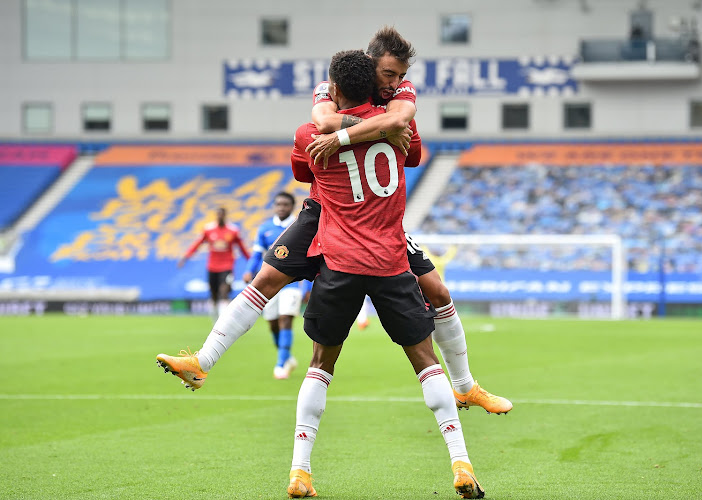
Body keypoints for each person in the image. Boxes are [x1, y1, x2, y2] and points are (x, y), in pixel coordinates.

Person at [157, 27, 511, 419]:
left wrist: (347, 136)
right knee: (265, 280)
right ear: (370, 63)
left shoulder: (402, 94)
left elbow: (404, 134)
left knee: (438, 291)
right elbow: (325, 120)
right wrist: (376, 127)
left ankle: (466, 387)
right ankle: (203, 360)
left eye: (399, 76)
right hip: (323, 211)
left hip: (374, 221)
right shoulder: (332, 86)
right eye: (389, 74)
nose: (395, 84)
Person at [286, 49, 484, 499]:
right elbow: (407, 140)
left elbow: (304, 168)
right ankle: (461, 463)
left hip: (338, 263)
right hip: (392, 262)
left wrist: (330, 119)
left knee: (320, 364)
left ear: (334, 90)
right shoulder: (400, 129)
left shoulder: (312, 134)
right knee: (426, 362)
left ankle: (300, 472)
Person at [243, 192, 307, 379]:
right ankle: (287, 357)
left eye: (285, 204)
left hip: (292, 283)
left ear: (292, 206)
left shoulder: (299, 226)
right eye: (278, 204)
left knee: (285, 319)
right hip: (269, 283)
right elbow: (257, 254)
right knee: (272, 323)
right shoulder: (265, 228)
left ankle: (281, 364)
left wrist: (309, 287)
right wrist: (249, 270)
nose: (281, 207)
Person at [177, 207, 249, 320]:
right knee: (214, 295)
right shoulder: (208, 229)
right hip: (212, 267)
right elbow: (197, 244)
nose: (220, 217)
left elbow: (242, 247)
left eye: (222, 215)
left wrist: (250, 261)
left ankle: (224, 322)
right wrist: (185, 257)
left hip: (227, 266)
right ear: (216, 216)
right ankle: (215, 321)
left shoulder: (233, 230)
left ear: (225, 216)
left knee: (224, 292)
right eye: (218, 214)